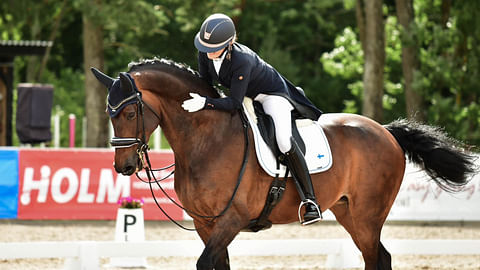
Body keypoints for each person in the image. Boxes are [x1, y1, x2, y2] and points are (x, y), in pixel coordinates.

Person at [182, 13, 323, 225]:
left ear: (229, 43)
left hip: (270, 95)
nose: (208, 52)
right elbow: (205, 83)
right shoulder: (205, 52)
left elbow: (234, 103)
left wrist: (206, 103)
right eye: (205, 47)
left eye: (214, 48)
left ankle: (310, 201)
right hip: (245, 95)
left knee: (284, 141)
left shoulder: (242, 61)